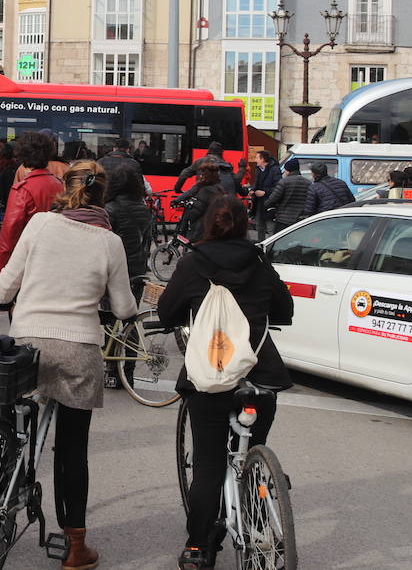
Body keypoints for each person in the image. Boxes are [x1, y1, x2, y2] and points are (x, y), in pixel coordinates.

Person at [0, 160, 135, 570]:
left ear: (64, 187)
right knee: (73, 450)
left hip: (27, 343)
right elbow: (124, 306)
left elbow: (5, 286)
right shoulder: (109, 241)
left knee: (9, 429)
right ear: (101, 194)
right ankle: (75, 547)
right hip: (78, 349)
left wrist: (7, 299)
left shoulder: (39, 225)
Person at [156, 195, 294, 570]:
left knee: (208, 464)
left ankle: (199, 547)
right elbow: (285, 311)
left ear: (207, 223)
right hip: (260, 375)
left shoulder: (192, 263)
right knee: (253, 447)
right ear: (243, 223)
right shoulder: (261, 262)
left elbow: (166, 311)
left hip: (211, 376)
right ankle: (256, 512)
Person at [0, 131, 66, 291]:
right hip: (57, 257)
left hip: (28, 258)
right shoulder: (60, 185)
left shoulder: (23, 189)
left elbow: (7, 239)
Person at [104, 154, 153, 299]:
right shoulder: (144, 210)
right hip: (137, 268)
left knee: (110, 312)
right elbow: (146, 242)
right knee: (131, 312)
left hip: (115, 268)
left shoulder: (109, 209)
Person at [173, 160, 228, 242]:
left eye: (202, 174)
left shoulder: (203, 188)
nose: (200, 176)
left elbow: (192, 198)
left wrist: (177, 201)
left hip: (203, 224)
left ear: (205, 176)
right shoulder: (219, 187)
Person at [173, 141, 247, 197]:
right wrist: (242, 168)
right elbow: (236, 180)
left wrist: (177, 189)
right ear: (221, 153)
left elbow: (184, 174)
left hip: (204, 198)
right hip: (223, 199)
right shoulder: (226, 165)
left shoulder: (199, 162)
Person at [262, 159, 310, 235]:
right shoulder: (308, 182)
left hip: (283, 220)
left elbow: (273, 199)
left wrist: (263, 206)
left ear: (288, 170)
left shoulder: (284, 182)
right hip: (299, 220)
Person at [248, 150, 282, 239]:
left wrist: (265, 192)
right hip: (259, 204)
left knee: (270, 228)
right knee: (259, 227)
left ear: (262, 159)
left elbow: (278, 188)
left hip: (270, 204)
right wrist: (253, 190)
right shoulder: (259, 169)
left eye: (257, 158)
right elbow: (257, 183)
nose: (255, 160)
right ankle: (260, 246)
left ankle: (270, 249)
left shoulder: (275, 170)